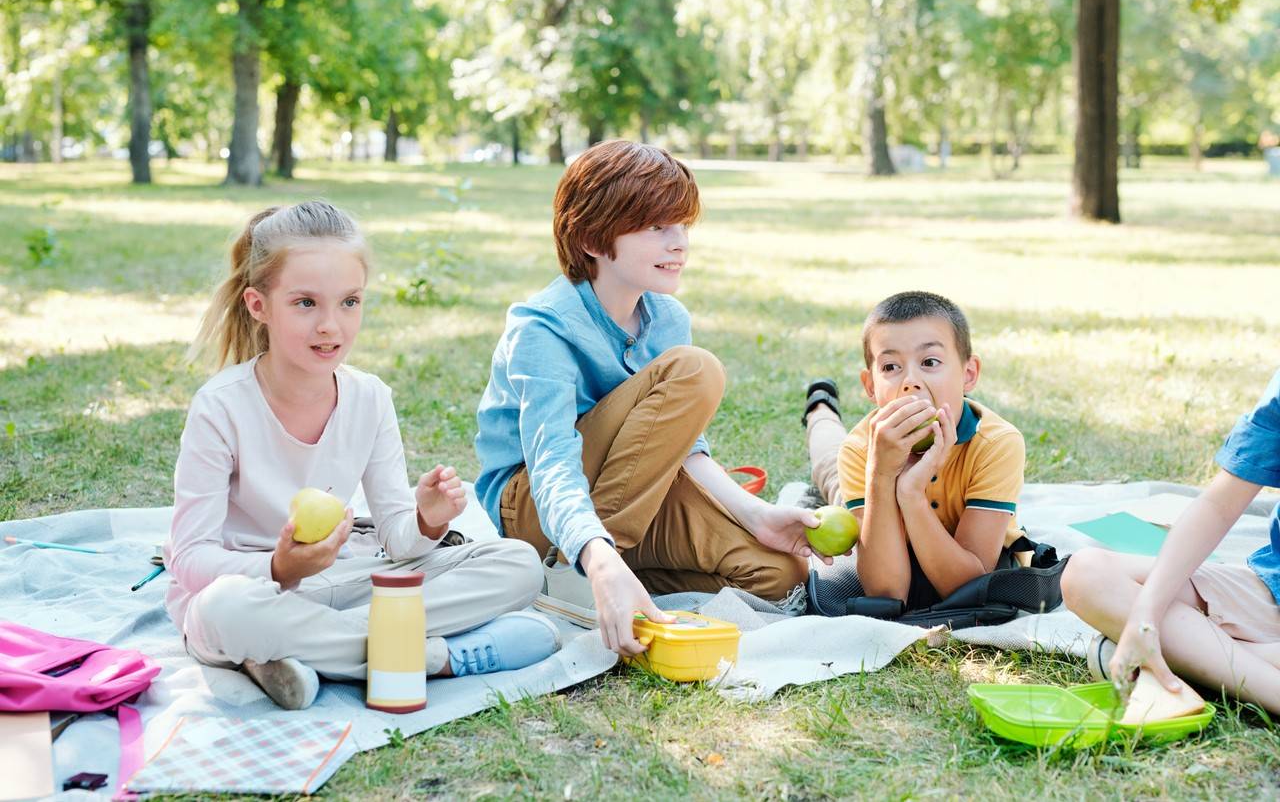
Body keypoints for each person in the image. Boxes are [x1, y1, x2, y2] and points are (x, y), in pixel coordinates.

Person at [167, 200, 557, 711]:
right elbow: (189, 559)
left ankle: (289, 653)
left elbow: (398, 540)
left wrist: (426, 520)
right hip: (250, 589)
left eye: (349, 302)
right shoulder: (220, 407)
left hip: (344, 582)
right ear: (258, 306)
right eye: (305, 303)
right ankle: (436, 659)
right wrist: (280, 569)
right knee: (222, 612)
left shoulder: (370, 398)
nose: (331, 325)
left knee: (519, 563)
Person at [474, 140, 822, 657]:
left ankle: (617, 579)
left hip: (633, 493)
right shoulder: (541, 330)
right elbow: (551, 466)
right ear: (592, 237)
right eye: (658, 228)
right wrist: (596, 550)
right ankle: (584, 567)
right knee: (696, 370)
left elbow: (684, 445)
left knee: (779, 574)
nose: (679, 243)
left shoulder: (667, 317)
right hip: (534, 507)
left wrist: (755, 515)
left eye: (682, 226)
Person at [1061, 370, 1280, 714]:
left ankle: (1200, 658)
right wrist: (1144, 618)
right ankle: (1239, 666)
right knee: (1087, 573)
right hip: (1270, 592)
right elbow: (1218, 506)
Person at [803, 291, 1026, 608]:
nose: (910, 381)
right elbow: (887, 592)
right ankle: (820, 409)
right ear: (870, 386)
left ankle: (823, 409)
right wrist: (881, 473)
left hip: (921, 526)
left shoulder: (997, 444)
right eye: (891, 367)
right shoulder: (859, 449)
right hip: (870, 496)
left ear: (968, 373)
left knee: (832, 463)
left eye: (930, 362)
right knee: (828, 463)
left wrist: (910, 494)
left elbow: (968, 587)